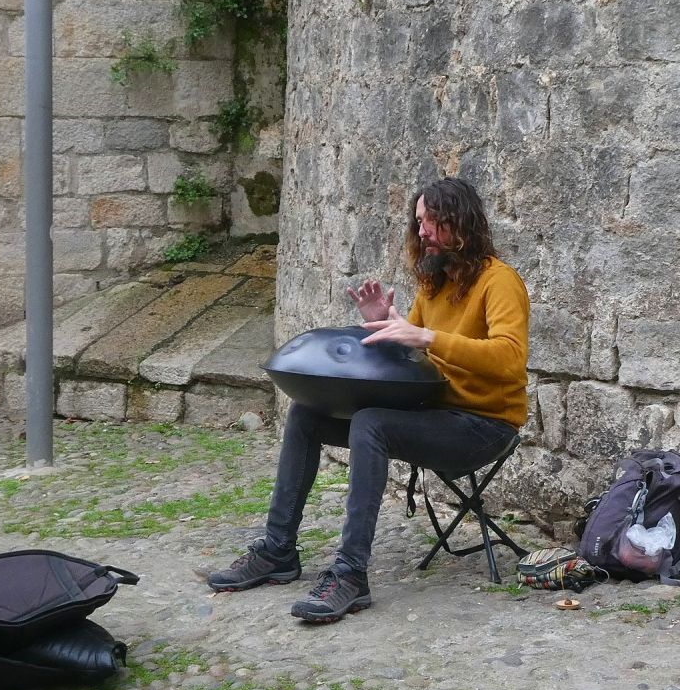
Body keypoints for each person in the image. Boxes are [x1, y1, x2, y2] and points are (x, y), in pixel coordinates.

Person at [206, 176, 531, 623]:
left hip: (484, 426)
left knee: (371, 424)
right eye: (418, 222)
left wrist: (425, 336)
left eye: (432, 221)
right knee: (305, 416)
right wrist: (384, 328)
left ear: (462, 222)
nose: (422, 232)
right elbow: (413, 362)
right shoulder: (434, 286)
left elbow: (511, 359)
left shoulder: (500, 281)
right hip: (434, 415)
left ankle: (350, 574)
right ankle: (278, 549)